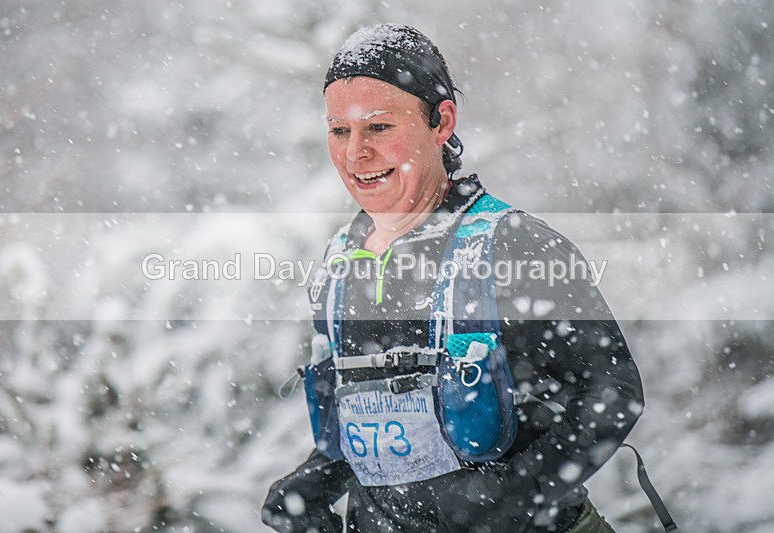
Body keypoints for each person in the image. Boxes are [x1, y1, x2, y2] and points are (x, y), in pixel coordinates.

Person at [262, 23, 644, 532]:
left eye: (377, 127)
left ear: (441, 122)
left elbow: (613, 391)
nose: (355, 152)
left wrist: (517, 496)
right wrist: (313, 483)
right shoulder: (341, 261)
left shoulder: (511, 244)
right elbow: (378, 413)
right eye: (339, 130)